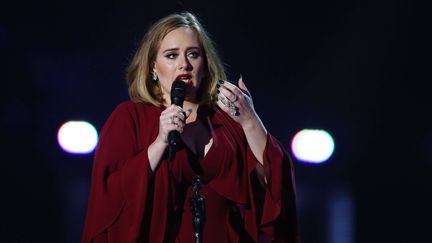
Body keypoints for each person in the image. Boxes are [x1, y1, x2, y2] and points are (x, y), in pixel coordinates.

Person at [82, 11, 300, 243]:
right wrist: (159, 143)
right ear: (153, 67)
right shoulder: (130, 118)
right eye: (171, 55)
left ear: (205, 64)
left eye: (193, 54)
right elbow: (107, 199)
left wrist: (250, 120)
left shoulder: (226, 122)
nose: (184, 65)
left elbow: (275, 183)